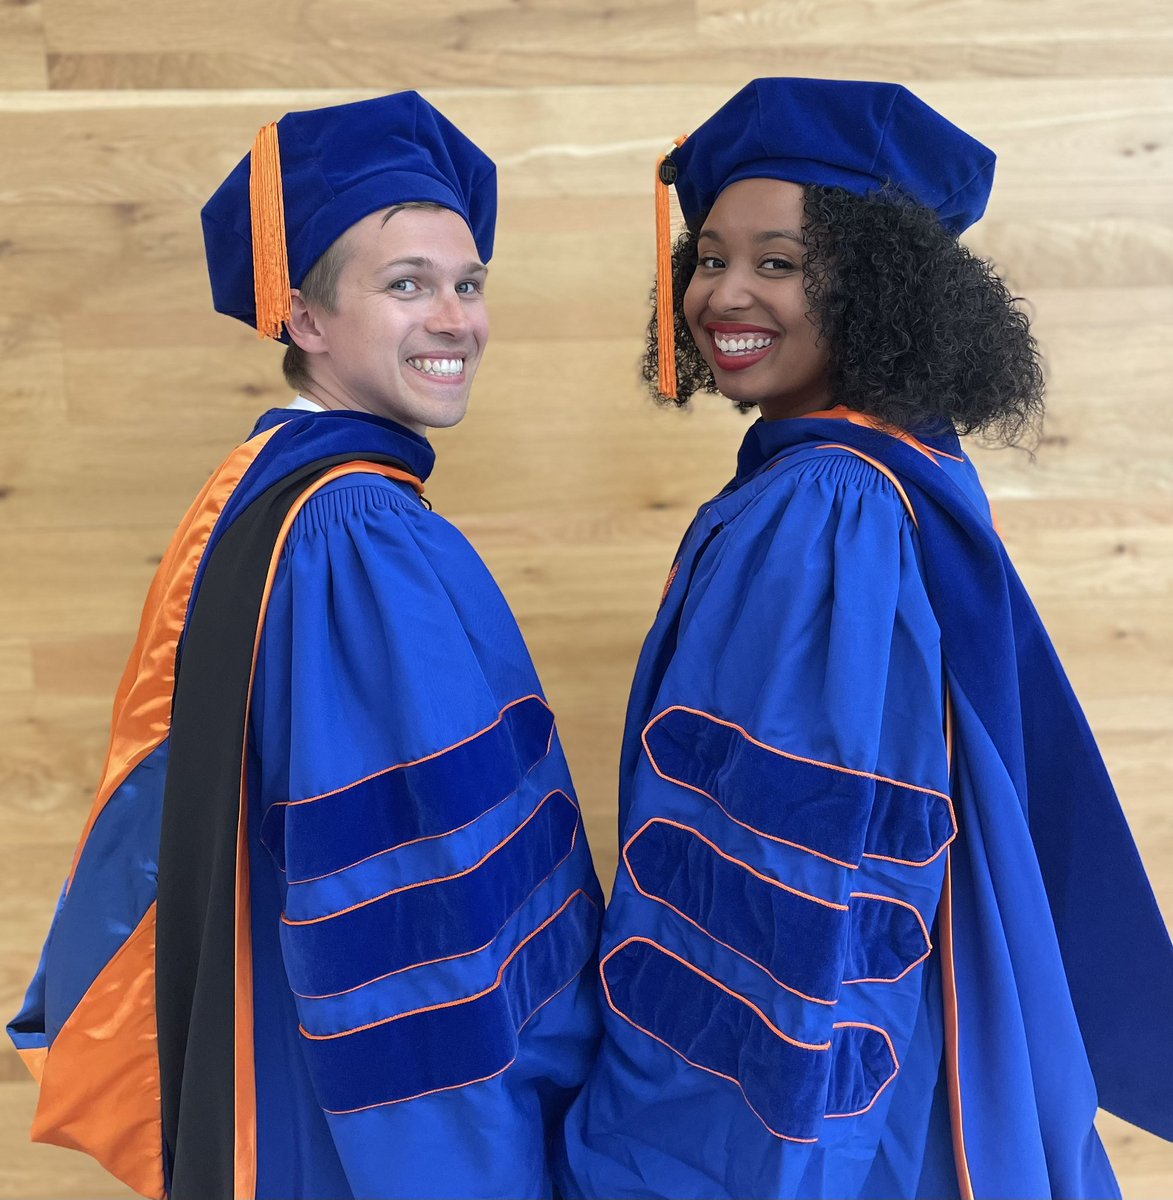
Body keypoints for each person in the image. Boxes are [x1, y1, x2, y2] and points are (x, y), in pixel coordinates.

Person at [558, 77, 1173, 1199]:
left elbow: (784, 886)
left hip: (817, 1125)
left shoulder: (822, 511)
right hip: (918, 1048)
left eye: (780, 263)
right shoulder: (893, 466)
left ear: (882, 290)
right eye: (709, 256)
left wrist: (660, 1151)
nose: (724, 292)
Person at [8, 91, 602, 1200]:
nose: (455, 318)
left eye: (467, 283)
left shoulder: (267, 488)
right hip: (394, 1131)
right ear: (307, 320)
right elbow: (426, 893)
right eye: (406, 284)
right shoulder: (355, 534)